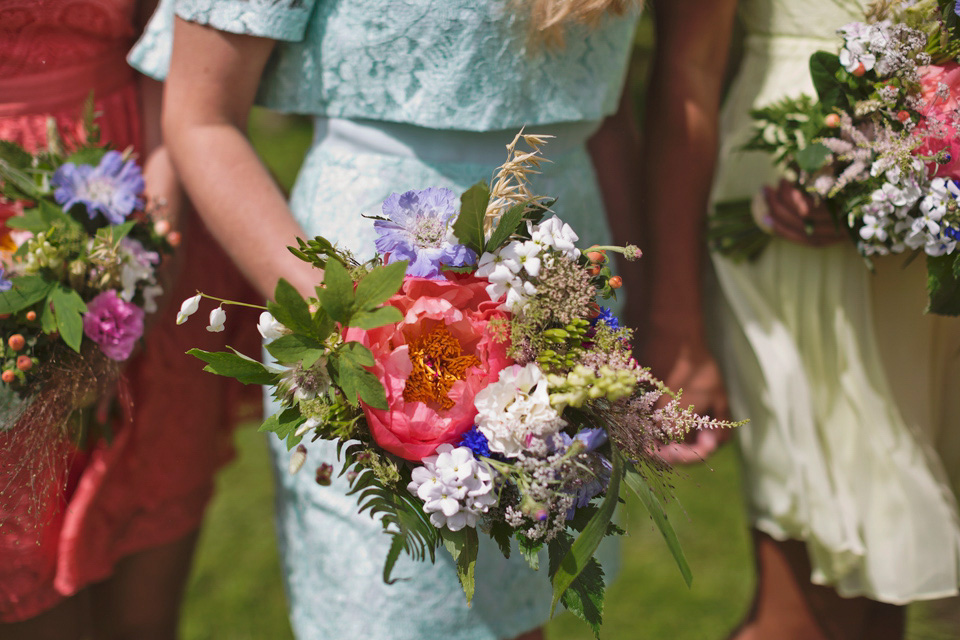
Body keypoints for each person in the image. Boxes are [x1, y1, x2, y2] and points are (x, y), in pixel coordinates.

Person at [129, 0, 737, 637]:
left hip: (556, 280)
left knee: (525, 582)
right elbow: (202, 115)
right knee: (391, 605)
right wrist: (342, 324)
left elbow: (603, 115)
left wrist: (658, 320)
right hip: (365, 288)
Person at [694, 0, 960, 637]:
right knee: (815, 604)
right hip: (788, 206)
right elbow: (689, 73)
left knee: (878, 597)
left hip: (931, 225)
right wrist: (674, 316)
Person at [0, 2, 261, 638]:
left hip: (138, 185)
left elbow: (177, 35)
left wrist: (144, 252)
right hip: (19, 225)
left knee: (143, 611)